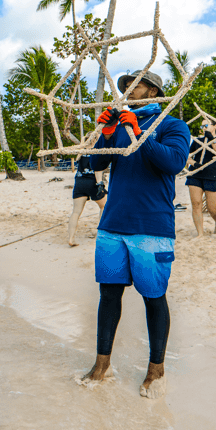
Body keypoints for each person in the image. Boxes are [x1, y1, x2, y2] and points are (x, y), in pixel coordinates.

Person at [81, 71, 190, 399]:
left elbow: (173, 162)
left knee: (153, 297)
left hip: (152, 227)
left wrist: (138, 132)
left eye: (135, 85)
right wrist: (107, 133)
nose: (127, 90)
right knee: (108, 295)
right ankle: (102, 366)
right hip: (112, 224)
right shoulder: (120, 124)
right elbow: (95, 164)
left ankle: (156, 372)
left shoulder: (173, 125)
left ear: (153, 91)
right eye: (125, 86)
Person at [185, 120, 216, 236]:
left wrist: (211, 138)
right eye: (202, 126)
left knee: (212, 208)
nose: (203, 128)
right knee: (196, 204)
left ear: (215, 126)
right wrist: (194, 164)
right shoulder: (198, 141)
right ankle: (200, 233)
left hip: (213, 175)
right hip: (195, 174)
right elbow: (187, 156)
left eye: (206, 125)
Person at [66, 152, 107, 247]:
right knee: (104, 206)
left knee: (76, 212)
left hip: (79, 182)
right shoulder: (97, 151)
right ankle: (100, 232)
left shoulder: (82, 151)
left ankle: (71, 238)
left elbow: (77, 159)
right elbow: (97, 170)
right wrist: (100, 184)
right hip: (92, 182)